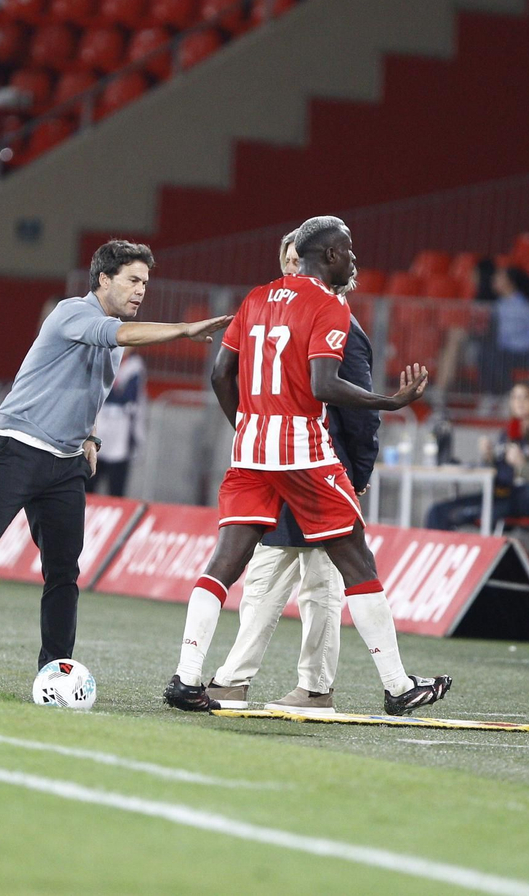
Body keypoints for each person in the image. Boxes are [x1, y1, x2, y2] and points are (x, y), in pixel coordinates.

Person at [0, 241, 231, 684]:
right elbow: (124, 336)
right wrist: (186, 330)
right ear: (104, 279)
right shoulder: (71, 312)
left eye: (146, 283)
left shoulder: (113, 336)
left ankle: (54, 670)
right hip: (15, 449)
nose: (140, 291)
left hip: (65, 464)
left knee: (63, 572)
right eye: (133, 280)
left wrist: (90, 436)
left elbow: (92, 388)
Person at [164, 216, 451, 716]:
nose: (355, 259)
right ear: (332, 256)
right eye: (350, 250)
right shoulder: (329, 305)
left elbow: (219, 373)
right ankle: (398, 687)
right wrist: (391, 400)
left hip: (251, 452)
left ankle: (188, 679)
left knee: (224, 565)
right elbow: (323, 385)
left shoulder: (254, 298)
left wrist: (249, 424)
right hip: (303, 453)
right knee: (358, 564)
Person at [205, 228, 380, 714]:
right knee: (264, 579)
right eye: (284, 262)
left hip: (317, 466)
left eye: (294, 261)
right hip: (274, 464)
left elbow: (360, 412)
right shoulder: (276, 311)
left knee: (319, 583)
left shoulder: (345, 328)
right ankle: (235, 679)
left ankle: (315, 687)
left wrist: (358, 471)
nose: (289, 272)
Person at [424, 382, 529, 531]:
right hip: (500, 496)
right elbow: (499, 477)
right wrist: (489, 458)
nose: (520, 403)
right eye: (515, 398)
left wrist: (523, 465)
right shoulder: (507, 434)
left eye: (526, 398)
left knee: (480, 514)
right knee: (437, 511)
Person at [87, 349, 144, 497]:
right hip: (101, 420)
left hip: (121, 425)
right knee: (92, 474)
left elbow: (130, 397)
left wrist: (137, 438)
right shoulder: (104, 358)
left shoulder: (135, 366)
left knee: (117, 479)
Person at [480, 266, 529, 396]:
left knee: (494, 357)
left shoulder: (524, 305)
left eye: (499, 278)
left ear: (509, 282)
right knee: (484, 354)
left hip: (522, 352)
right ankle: (491, 395)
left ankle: (508, 394)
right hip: (504, 351)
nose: (494, 280)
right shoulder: (498, 304)